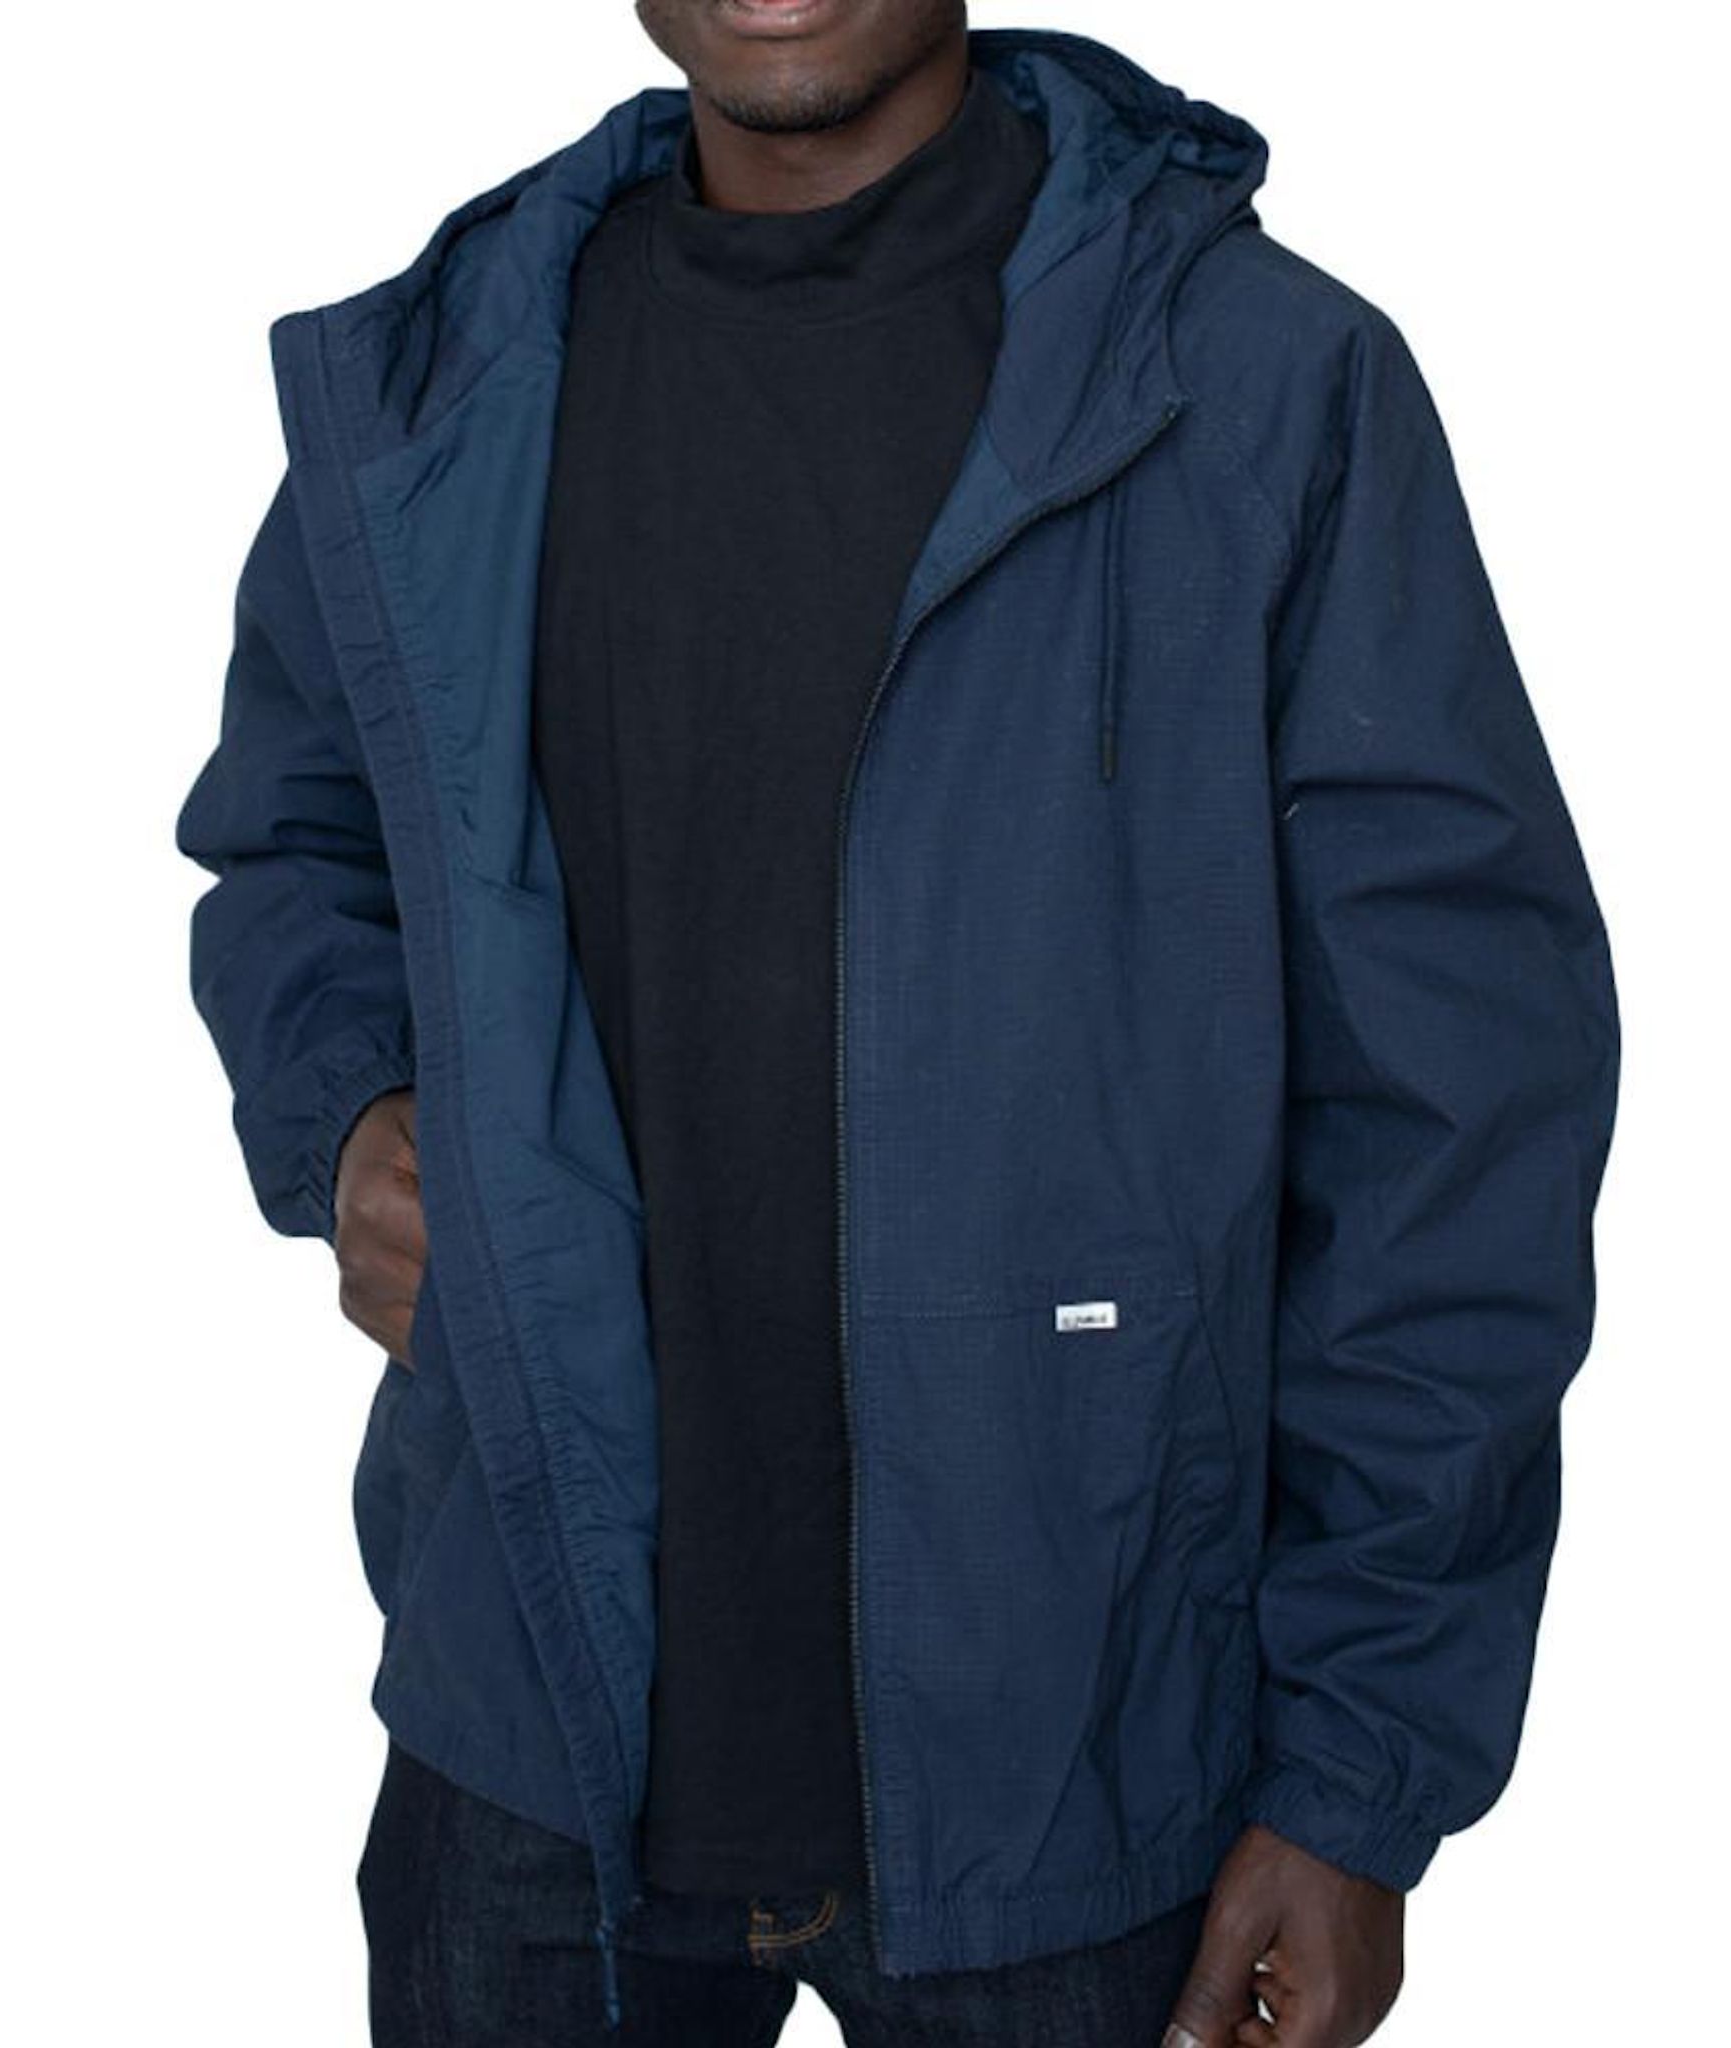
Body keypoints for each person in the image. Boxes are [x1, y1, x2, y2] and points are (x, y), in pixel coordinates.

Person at [174, 6, 1621, 2043]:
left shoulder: (1255, 381)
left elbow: (1455, 1114)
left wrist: (1355, 1778)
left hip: (1086, 1749)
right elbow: (296, 834)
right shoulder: (457, 376)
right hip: (529, 1734)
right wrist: (346, 1116)